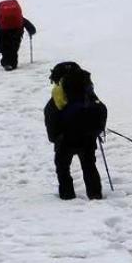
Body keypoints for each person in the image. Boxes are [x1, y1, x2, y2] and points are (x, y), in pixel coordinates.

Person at [44, 62, 107, 200]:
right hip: (88, 136)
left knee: (62, 167)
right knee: (89, 165)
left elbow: (51, 116)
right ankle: (95, 194)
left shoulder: (58, 94)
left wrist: (55, 138)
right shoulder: (87, 92)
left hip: (66, 138)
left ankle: (67, 196)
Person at [0, 0, 36, 71]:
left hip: (5, 30)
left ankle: (7, 63)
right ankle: (12, 64)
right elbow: (26, 23)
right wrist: (31, 30)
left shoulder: (3, 21)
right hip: (17, 30)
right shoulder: (19, 18)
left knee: (5, 47)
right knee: (14, 47)